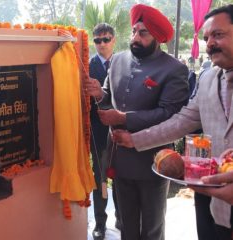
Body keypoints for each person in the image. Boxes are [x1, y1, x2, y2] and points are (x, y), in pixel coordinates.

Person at [112, 4, 233, 240]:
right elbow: (180, 122)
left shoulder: (172, 68)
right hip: (210, 194)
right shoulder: (208, 79)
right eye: (207, 37)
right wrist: (134, 140)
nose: (210, 44)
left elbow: (167, 112)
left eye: (218, 35)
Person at [84, 4, 189, 240]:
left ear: (157, 38)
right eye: (134, 31)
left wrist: (124, 118)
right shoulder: (118, 60)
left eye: (143, 33)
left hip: (153, 161)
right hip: (119, 157)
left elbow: (170, 114)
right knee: (127, 226)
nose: (135, 38)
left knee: (152, 229)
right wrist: (99, 95)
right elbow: (109, 96)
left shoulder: (174, 69)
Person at [89, 23, 120, 240]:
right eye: (98, 40)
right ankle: (100, 223)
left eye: (106, 39)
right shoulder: (86, 65)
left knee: (121, 176)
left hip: (122, 130)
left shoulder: (123, 63)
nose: (102, 44)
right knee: (99, 178)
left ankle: (122, 217)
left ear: (114, 40)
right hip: (98, 132)